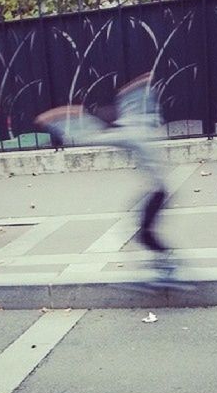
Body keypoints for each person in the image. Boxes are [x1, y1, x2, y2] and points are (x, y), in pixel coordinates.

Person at [35, 74, 177, 282]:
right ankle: (163, 262)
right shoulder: (137, 124)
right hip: (158, 189)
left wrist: (56, 120)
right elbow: (137, 105)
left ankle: (168, 264)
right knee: (142, 229)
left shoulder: (128, 134)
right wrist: (141, 86)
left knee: (143, 233)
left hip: (157, 191)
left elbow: (91, 136)